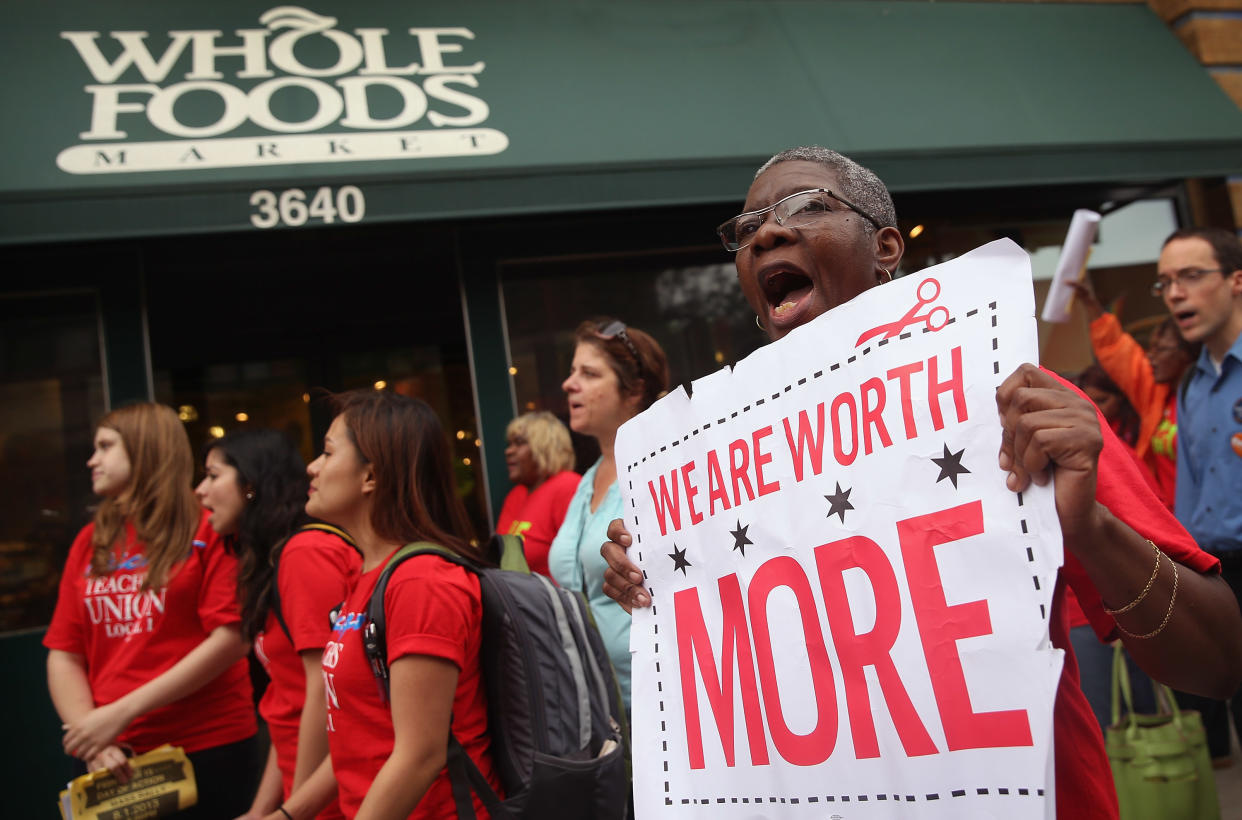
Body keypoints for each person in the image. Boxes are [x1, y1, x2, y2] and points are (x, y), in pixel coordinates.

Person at [600, 146, 1242, 819]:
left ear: (885, 248)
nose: (766, 233)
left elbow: (1218, 662)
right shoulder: (717, 472)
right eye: (747, 226)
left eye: (808, 206)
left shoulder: (1005, 400)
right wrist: (659, 580)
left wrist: (1091, 525)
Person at [269, 390, 498, 820]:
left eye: (327, 452)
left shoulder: (422, 581)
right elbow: (359, 740)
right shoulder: (370, 576)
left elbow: (419, 756)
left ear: (370, 476)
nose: (312, 467)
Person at [44, 403, 260, 818]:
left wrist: (118, 714)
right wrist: (93, 735)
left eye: (105, 446)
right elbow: (64, 651)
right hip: (111, 755)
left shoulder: (209, 528)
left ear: (145, 450)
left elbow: (232, 637)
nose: (93, 460)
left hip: (205, 746)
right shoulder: (89, 541)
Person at [195, 429, 359, 820]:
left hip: (331, 802)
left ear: (251, 484)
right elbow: (287, 705)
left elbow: (327, 693)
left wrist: (293, 812)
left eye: (213, 475)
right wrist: (261, 810)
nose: (200, 491)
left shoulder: (306, 553)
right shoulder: (273, 560)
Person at [548, 318, 669, 711]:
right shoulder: (587, 480)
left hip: (657, 707)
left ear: (633, 390)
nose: (569, 384)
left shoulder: (661, 471)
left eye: (588, 373)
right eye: (571, 372)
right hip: (597, 711)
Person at [1159, 226, 1242, 763]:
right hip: (1217, 577)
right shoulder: (1192, 384)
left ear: (1237, 281)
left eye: (1191, 276)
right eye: (1164, 282)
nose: (1174, 293)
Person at [1067, 280, 1199, 510]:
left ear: (1188, 354)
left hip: (1216, 528)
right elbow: (1119, 350)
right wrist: (1091, 305)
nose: (1151, 356)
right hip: (1177, 523)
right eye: (1151, 347)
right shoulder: (1157, 396)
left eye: (1161, 349)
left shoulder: (1209, 398)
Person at [495, 411, 581, 576]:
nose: (509, 451)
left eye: (519, 443)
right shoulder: (516, 495)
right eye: (509, 444)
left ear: (545, 446)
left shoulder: (568, 486)